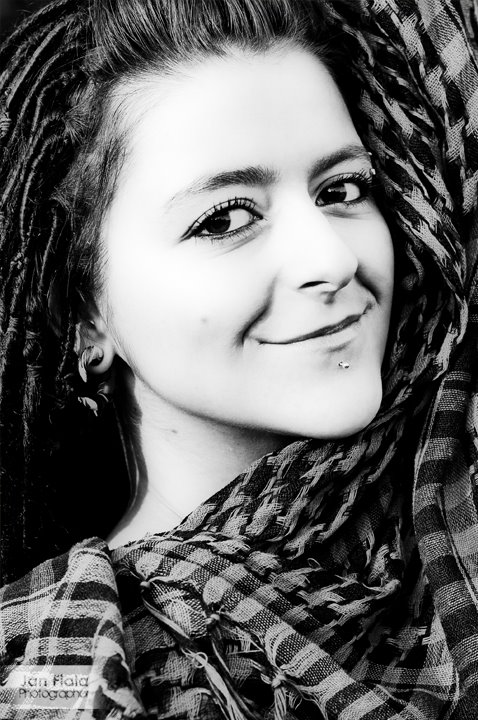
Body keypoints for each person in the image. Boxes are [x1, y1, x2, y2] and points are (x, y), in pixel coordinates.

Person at [1, 0, 478, 717]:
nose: (332, 258)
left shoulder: (453, 511)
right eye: (225, 218)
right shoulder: (60, 671)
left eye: (342, 190)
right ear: (86, 317)